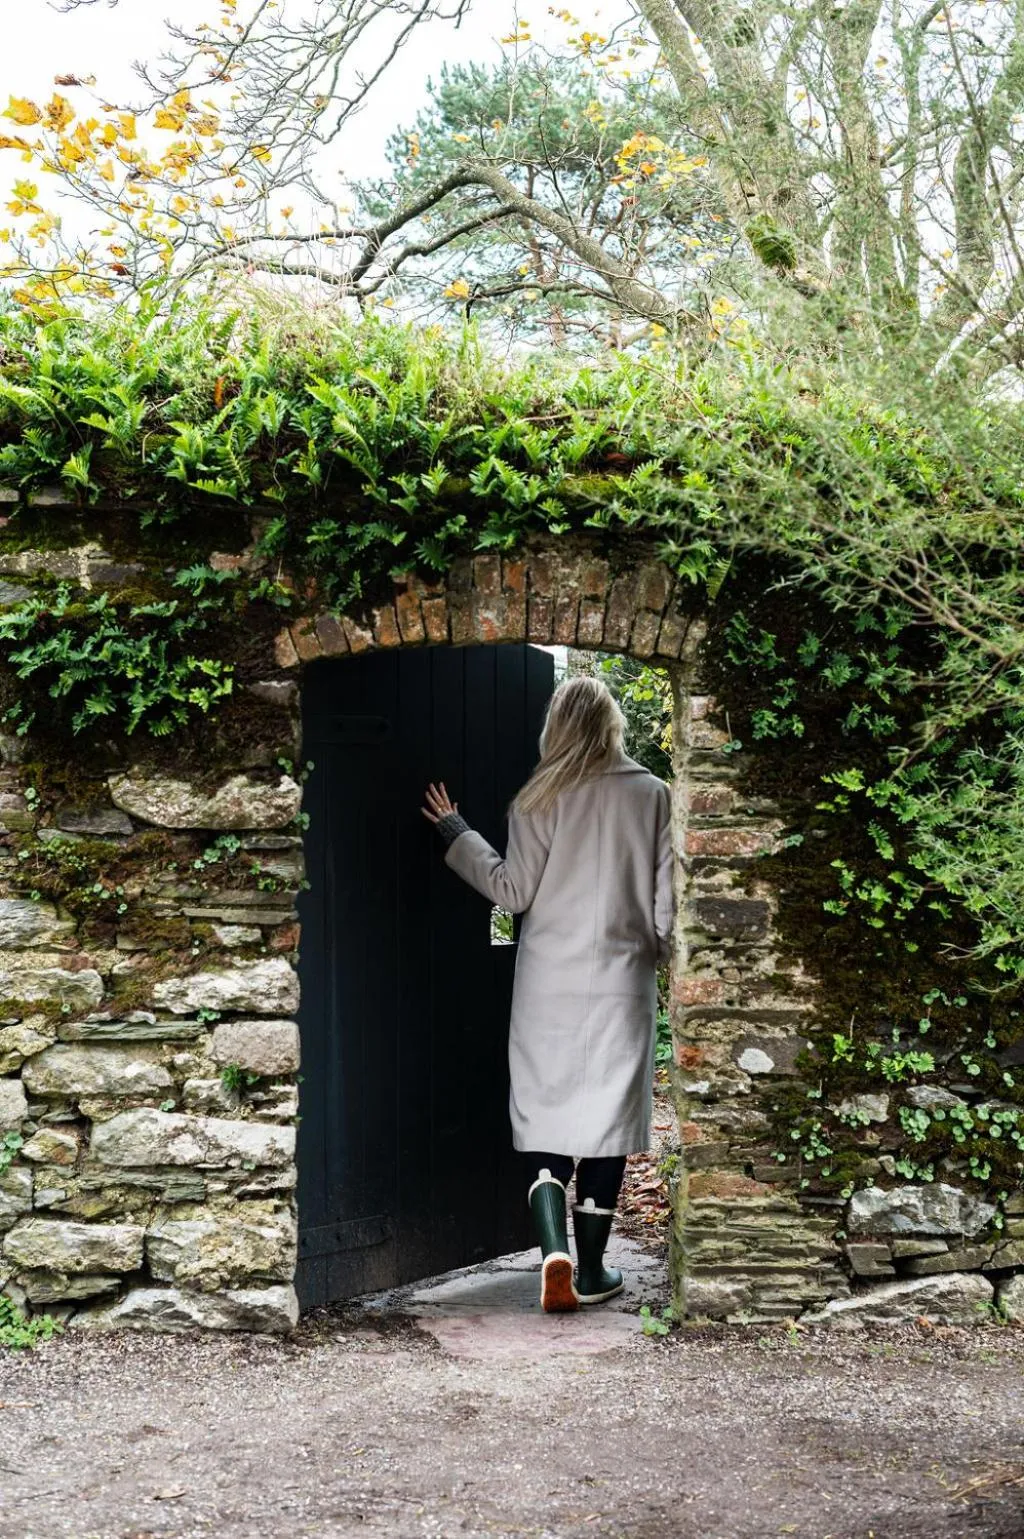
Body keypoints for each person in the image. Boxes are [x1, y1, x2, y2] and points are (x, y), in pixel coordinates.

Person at [421, 674, 674, 1314]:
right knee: (609, 1121)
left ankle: (550, 1254)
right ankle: (590, 1270)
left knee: (547, 1109)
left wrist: (457, 832)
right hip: (622, 981)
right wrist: (665, 956)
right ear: (612, 724)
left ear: (556, 727)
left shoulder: (538, 798)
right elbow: (665, 906)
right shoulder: (653, 795)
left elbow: (512, 893)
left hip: (547, 984)